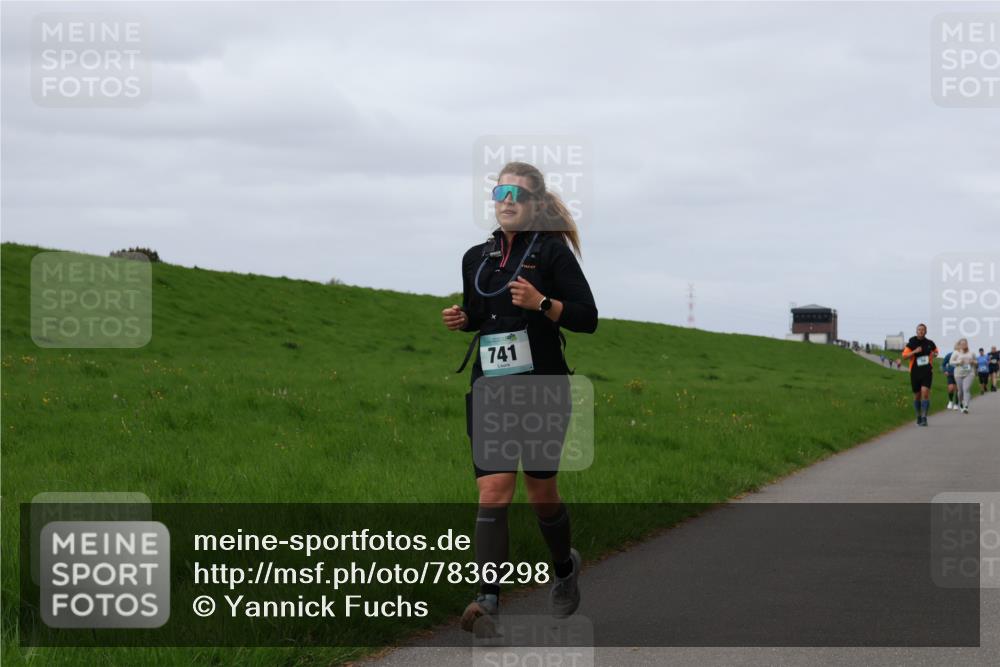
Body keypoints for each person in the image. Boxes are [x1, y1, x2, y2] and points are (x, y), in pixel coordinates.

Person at [441, 161, 597, 634]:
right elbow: (481, 310)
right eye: (500, 191)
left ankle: (564, 568)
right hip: (491, 389)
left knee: (541, 492)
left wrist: (543, 305)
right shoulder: (477, 257)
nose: (506, 199)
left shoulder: (552, 253)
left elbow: (587, 318)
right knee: (493, 490)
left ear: (535, 204)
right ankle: (487, 600)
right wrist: (463, 319)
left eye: (517, 193)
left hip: (543, 388)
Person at [901, 324, 939, 426]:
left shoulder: (930, 343)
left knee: (925, 393)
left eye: (923, 330)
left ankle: (924, 418)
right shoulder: (912, 342)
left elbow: (936, 352)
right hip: (915, 372)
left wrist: (934, 355)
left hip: (927, 371)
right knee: (917, 396)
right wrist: (914, 351)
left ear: (925, 332)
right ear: (916, 331)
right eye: (919, 330)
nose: (921, 331)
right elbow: (904, 356)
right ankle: (918, 416)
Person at [950, 339, 976, 414]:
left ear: (967, 344)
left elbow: (976, 362)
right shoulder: (956, 353)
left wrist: (973, 362)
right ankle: (961, 403)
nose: (964, 345)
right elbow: (951, 362)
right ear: (960, 345)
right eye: (962, 344)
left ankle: (966, 406)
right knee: (960, 391)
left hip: (969, 373)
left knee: (966, 389)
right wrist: (958, 362)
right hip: (958, 374)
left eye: (965, 343)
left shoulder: (972, 353)